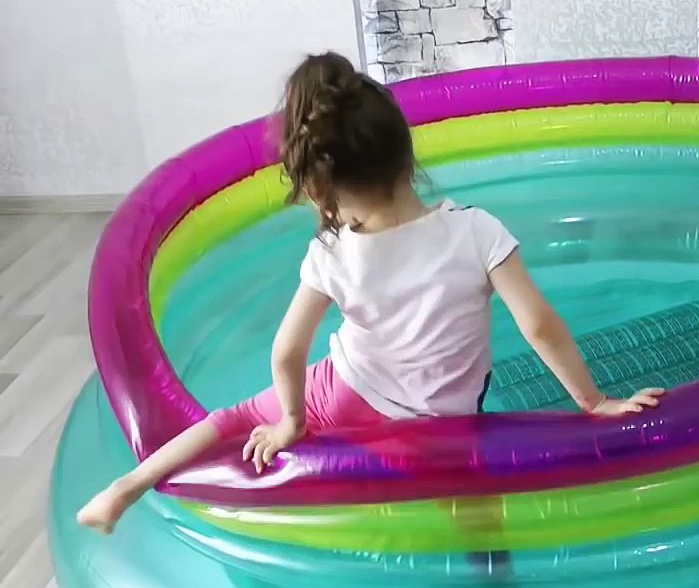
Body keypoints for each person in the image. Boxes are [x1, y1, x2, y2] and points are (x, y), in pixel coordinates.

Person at [77, 51, 662, 531]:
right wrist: (593, 402)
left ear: (324, 188)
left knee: (231, 420)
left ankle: (125, 488)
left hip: (345, 395)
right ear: (407, 155)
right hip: (440, 429)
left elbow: (286, 350)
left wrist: (290, 423)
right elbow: (539, 326)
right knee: (479, 515)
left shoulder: (332, 253)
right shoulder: (477, 232)